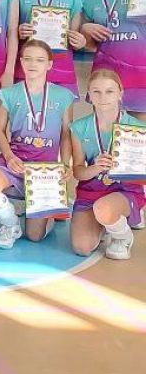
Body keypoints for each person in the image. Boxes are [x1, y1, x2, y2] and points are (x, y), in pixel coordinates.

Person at [0, 40, 78, 249]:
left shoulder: (64, 96)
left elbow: (66, 135)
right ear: (21, 62)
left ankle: (50, 209)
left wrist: (65, 165)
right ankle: (11, 224)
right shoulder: (8, 94)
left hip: (45, 170)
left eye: (40, 60)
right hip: (15, 161)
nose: (33, 64)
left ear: (49, 64)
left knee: (34, 236)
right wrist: (9, 156)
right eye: (28, 59)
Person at [69, 69, 143, 260]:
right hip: (91, 191)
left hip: (124, 190)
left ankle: (122, 237)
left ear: (120, 93)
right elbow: (78, 172)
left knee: (104, 209)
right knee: (81, 247)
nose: (103, 97)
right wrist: (95, 168)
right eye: (97, 91)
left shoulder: (138, 129)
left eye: (109, 91)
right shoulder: (78, 128)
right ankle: (106, 223)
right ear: (89, 95)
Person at [81, 0, 146, 114]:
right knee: (105, 126)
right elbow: (89, 46)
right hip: (106, 74)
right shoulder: (89, 1)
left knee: (139, 128)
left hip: (139, 71)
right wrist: (85, 29)